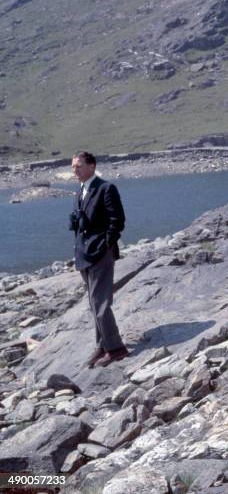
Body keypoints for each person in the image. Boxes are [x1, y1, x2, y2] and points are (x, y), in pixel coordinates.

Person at [70, 151, 129, 368]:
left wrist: (106, 244)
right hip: (84, 254)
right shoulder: (80, 192)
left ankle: (117, 348)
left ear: (92, 166)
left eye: (78, 166)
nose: (74, 171)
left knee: (100, 302)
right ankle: (102, 344)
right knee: (93, 303)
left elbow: (118, 220)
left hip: (100, 253)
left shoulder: (106, 188)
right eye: (73, 167)